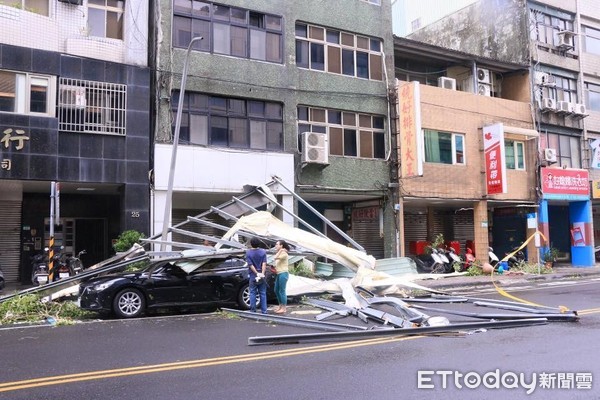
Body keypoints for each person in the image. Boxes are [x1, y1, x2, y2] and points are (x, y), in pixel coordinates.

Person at [246, 237, 267, 314]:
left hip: (252, 275)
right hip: (262, 275)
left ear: (251, 244)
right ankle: (264, 311)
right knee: (263, 292)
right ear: (259, 243)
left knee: (252, 292)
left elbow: (250, 265)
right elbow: (264, 264)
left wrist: (256, 273)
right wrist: (262, 273)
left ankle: (253, 311)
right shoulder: (263, 252)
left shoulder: (248, 252)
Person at [273, 240, 290, 314]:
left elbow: (275, 258)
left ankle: (284, 308)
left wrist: (280, 251)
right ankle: (280, 305)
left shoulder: (284, 253)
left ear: (281, 246)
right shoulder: (280, 253)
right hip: (279, 273)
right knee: (276, 290)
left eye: (277, 244)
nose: (275, 246)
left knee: (282, 291)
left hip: (283, 273)